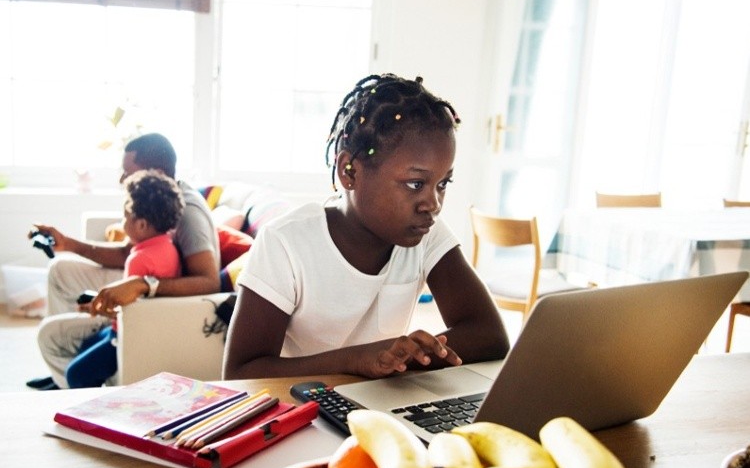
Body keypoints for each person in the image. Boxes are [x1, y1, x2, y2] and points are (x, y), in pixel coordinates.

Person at [223, 73, 510, 380]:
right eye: (415, 183)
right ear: (350, 171)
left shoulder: (426, 233)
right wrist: (357, 360)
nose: (433, 203)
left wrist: (403, 357)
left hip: (380, 407)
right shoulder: (286, 243)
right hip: (304, 413)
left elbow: (490, 335)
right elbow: (241, 373)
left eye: (442, 184)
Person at [28, 133, 220, 390]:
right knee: (60, 269)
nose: (121, 179)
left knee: (62, 345)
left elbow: (210, 282)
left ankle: (69, 379)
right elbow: (127, 253)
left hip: (157, 295)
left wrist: (143, 284)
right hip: (145, 277)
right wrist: (68, 244)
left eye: (128, 172)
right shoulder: (158, 200)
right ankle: (63, 372)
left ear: (159, 172)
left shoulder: (188, 213)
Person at [65, 170, 184, 388]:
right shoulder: (170, 247)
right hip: (144, 328)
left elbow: (128, 312)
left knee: (75, 374)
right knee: (85, 346)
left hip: (126, 335)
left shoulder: (139, 260)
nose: (123, 222)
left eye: (125, 216)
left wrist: (98, 306)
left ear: (141, 225)